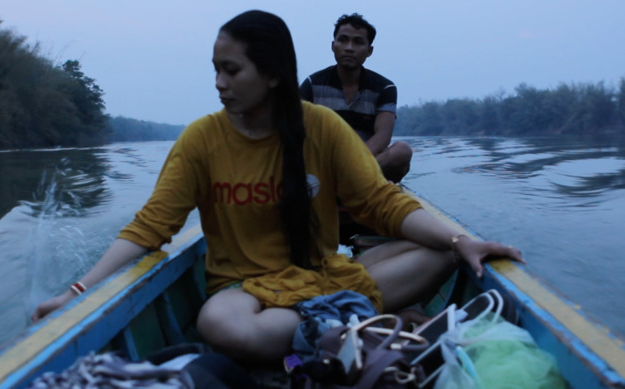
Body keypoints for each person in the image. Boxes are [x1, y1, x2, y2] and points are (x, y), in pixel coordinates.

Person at [32, 10, 523, 364]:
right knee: (218, 325)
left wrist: (461, 240)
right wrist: (78, 290)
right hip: (244, 290)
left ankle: (336, 327)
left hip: (323, 277)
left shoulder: (321, 126)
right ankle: (352, 328)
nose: (220, 82)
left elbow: (380, 201)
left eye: (231, 70)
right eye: (216, 69)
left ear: (270, 76)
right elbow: (151, 226)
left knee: (443, 253)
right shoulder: (202, 139)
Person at [300, 13, 411, 184]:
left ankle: (351, 181)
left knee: (402, 151)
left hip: (364, 165)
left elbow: (383, 136)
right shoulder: (312, 84)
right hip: (324, 166)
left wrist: (351, 164)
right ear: (333, 46)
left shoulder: (384, 88)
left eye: (358, 42)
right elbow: (295, 130)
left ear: (369, 51)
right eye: (343, 40)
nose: (349, 48)